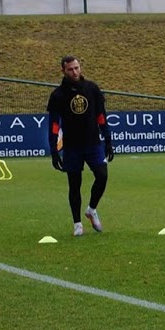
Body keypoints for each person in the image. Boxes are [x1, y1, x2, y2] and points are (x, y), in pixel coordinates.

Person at [47, 55, 114, 236]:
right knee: (74, 185)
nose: (75, 72)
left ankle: (91, 209)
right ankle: (77, 223)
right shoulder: (58, 95)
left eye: (77, 68)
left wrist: (108, 140)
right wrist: (54, 150)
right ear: (63, 71)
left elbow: (101, 115)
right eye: (70, 69)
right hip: (71, 147)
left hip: (93, 143)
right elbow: (54, 124)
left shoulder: (92, 89)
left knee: (102, 175)